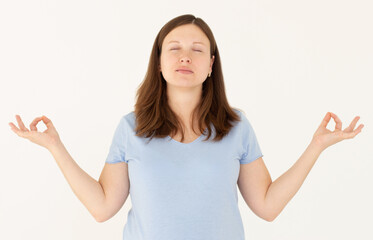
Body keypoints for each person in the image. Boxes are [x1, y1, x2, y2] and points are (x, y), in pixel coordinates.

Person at [9, 14, 364, 240]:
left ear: (210, 65)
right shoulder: (131, 128)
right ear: (159, 63)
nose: (184, 56)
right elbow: (102, 208)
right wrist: (55, 146)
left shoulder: (236, 126)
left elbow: (267, 206)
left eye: (196, 50)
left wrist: (316, 146)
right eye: (174, 48)